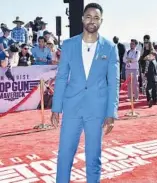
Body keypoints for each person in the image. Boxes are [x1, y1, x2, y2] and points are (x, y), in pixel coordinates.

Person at [51, 3, 120, 183]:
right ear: (82, 19)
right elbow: (61, 77)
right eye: (88, 16)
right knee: (64, 155)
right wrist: (56, 107)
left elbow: (113, 82)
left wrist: (111, 113)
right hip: (72, 107)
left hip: (96, 110)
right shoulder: (68, 45)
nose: (92, 21)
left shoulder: (110, 48)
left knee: (93, 157)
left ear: (101, 21)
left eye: (96, 17)